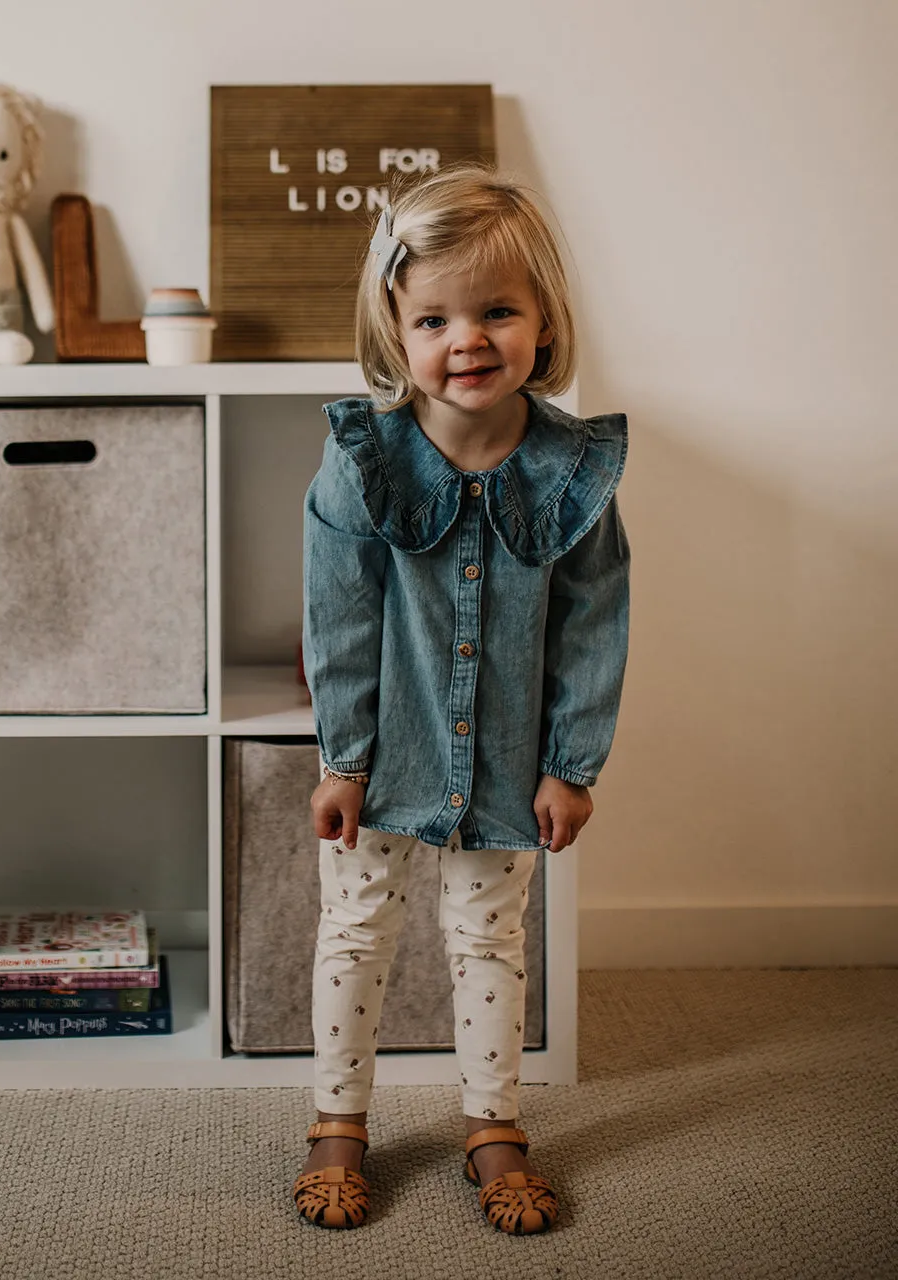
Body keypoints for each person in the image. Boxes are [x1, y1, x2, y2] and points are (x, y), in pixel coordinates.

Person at [291, 162, 631, 1235]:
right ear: (395, 326)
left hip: (506, 761)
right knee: (356, 930)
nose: (467, 339)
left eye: (496, 311)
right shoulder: (362, 462)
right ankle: (336, 1121)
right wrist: (342, 757)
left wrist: (570, 765)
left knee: (490, 939)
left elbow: (592, 623)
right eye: (433, 316)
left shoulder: (574, 473)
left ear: (543, 319)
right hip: (384, 756)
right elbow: (338, 620)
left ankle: (492, 1123)